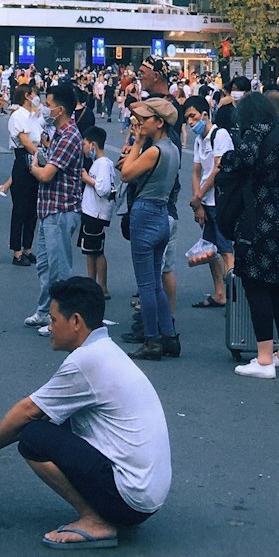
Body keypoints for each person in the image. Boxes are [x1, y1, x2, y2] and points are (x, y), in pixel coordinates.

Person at [0, 277, 171, 549]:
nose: (49, 327)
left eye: (53, 319)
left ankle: (95, 521)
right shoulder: (105, 350)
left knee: (33, 438)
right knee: (51, 421)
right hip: (146, 494)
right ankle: (102, 512)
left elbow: (29, 410)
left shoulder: (85, 361)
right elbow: (41, 412)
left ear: (75, 321)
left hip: (130, 499)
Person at [223, 91, 279, 379]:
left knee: (256, 284)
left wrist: (228, 158)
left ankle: (264, 358)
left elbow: (241, 161)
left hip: (260, 213)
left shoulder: (256, 132)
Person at [119, 95, 181, 361]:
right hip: (162, 212)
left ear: (159, 122)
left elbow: (126, 173)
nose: (139, 123)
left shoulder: (154, 150)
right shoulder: (173, 149)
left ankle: (152, 340)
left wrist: (138, 143)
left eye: (145, 119)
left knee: (146, 285)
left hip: (145, 213)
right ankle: (168, 336)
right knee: (155, 282)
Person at [24, 83, 84, 336]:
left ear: (60, 109)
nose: (45, 109)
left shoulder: (69, 135)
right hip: (49, 208)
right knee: (45, 266)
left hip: (61, 208)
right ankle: (44, 310)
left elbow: (47, 174)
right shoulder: (58, 132)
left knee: (59, 269)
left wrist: (33, 169)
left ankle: (62, 320)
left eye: (48, 105)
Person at [183, 95, 233, 309]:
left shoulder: (219, 135)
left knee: (226, 251)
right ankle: (220, 293)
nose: (191, 122)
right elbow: (196, 171)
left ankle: (234, 299)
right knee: (210, 250)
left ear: (205, 114)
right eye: (187, 118)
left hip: (221, 201)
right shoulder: (198, 140)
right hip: (206, 202)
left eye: (193, 116)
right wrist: (198, 202)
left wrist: (198, 196)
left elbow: (218, 169)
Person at [5, 81, 45, 267]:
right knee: (20, 208)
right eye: (33, 94)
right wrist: (41, 156)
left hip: (36, 158)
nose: (36, 97)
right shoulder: (18, 116)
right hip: (24, 158)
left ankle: (28, 248)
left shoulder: (33, 116)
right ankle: (17, 251)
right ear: (27, 96)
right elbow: (25, 142)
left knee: (32, 209)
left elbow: (42, 138)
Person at [78, 128, 114, 298]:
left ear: (93, 145)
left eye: (85, 144)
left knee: (96, 250)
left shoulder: (103, 163)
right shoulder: (99, 163)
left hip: (96, 214)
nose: (83, 148)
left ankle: (102, 287)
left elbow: (104, 188)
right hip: (90, 212)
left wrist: (87, 180)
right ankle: (91, 283)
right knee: (90, 250)